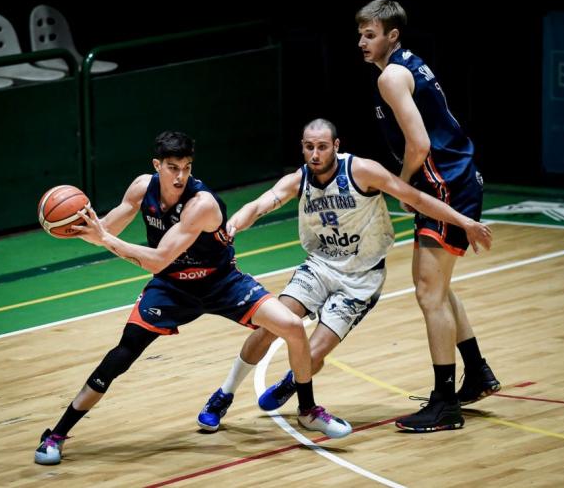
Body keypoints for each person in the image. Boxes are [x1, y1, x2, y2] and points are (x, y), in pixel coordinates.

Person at [34, 131, 352, 466]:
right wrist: (80, 225)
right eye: (173, 167)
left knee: (292, 326)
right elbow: (107, 230)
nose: (180, 176)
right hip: (172, 288)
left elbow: (157, 258)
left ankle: (307, 410)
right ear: (157, 165)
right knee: (121, 356)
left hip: (221, 282)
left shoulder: (202, 204)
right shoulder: (142, 188)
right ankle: (56, 435)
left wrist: (103, 239)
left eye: (186, 167)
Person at [196, 118, 492, 433]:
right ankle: (223, 395)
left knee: (313, 353)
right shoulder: (298, 180)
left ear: (336, 146)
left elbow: (416, 199)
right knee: (271, 325)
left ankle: (292, 381)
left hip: (360, 280)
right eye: (309, 147)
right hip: (319, 267)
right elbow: (258, 206)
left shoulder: (362, 171)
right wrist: (232, 226)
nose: (315, 154)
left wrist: (464, 222)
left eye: (322, 147)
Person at [355, 0, 501, 432]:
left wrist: (403, 184)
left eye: (370, 34)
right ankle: (477, 372)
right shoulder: (408, 65)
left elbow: (418, 143)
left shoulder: (391, 77)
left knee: (427, 292)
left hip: (445, 184)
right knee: (438, 287)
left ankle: (444, 404)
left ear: (392, 35)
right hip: (456, 178)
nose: (362, 41)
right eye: (360, 34)